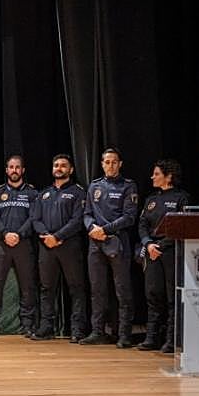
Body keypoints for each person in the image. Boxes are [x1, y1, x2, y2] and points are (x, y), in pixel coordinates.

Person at [82, 147, 139, 348]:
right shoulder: (94, 186)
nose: (110, 165)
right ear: (102, 164)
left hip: (117, 242)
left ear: (120, 164)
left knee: (122, 290)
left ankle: (123, 334)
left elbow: (129, 217)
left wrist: (104, 229)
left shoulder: (128, 186)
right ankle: (97, 331)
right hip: (95, 244)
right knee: (97, 289)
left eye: (114, 162)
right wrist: (91, 227)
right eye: (107, 162)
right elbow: (87, 213)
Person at [30, 153, 89, 342]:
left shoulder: (78, 192)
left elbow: (77, 220)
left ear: (71, 170)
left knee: (76, 288)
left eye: (63, 165)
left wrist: (58, 236)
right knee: (47, 288)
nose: (59, 168)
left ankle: (77, 329)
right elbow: (35, 219)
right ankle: (47, 327)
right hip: (46, 246)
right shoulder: (43, 194)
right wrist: (47, 236)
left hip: (69, 246)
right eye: (56, 165)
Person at [0, 155, 38, 337]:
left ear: (23, 170)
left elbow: (34, 217)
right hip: (2, 244)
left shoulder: (32, 193)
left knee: (27, 285)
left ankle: (28, 325)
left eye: (17, 167)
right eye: (11, 167)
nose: (14, 170)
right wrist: (5, 233)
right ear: (7, 170)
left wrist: (19, 234)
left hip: (24, 244)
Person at [137, 159, 188, 352]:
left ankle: (172, 339)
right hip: (151, 251)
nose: (152, 177)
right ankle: (151, 337)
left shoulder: (181, 198)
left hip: (170, 251)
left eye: (157, 174)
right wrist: (148, 243)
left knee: (171, 296)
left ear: (169, 176)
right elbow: (142, 224)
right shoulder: (151, 200)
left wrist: (160, 245)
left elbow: (181, 226)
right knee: (153, 294)